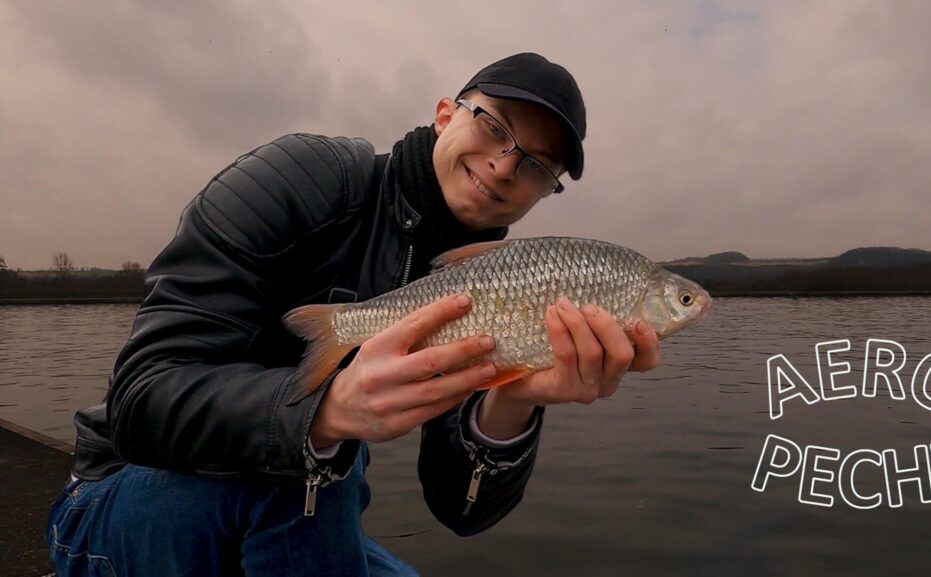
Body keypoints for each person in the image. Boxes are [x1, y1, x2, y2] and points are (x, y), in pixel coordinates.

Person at [47, 52, 660, 576]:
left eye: (534, 164)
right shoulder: (302, 178)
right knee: (315, 475)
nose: (504, 165)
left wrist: (514, 400)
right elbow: (138, 399)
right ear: (445, 114)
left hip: (298, 524)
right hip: (115, 497)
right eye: (495, 127)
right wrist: (327, 411)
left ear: (543, 190)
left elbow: (462, 512)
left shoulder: (498, 287)